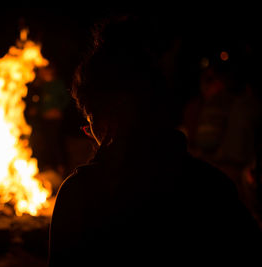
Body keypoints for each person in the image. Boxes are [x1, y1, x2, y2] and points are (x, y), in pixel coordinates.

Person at [48, 16, 261, 266]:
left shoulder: (80, 195)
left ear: (109, 118)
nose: (91, 135)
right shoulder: (212, 188)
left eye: (90, 121)